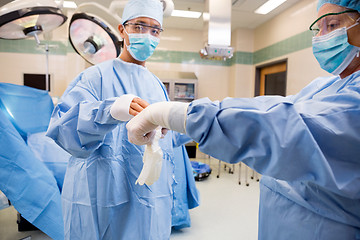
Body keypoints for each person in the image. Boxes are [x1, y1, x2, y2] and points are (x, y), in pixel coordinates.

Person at [126, 0, 360, 239]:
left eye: (332, 25)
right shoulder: (327, 87)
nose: (321, 37)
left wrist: (172, 114)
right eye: (318, 28)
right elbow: (271, 108)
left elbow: (282, 127)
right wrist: (178, 124)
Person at [46, 0, 199, 239]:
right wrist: (111, 110)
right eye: (138, 26)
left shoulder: (157, 85)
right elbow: (65, 131)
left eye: (154, 30)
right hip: (101, 196)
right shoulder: (94, 77)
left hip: (150, 198)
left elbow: (168, 144)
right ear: (122, 30)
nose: (147, 35)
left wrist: (184, 123)